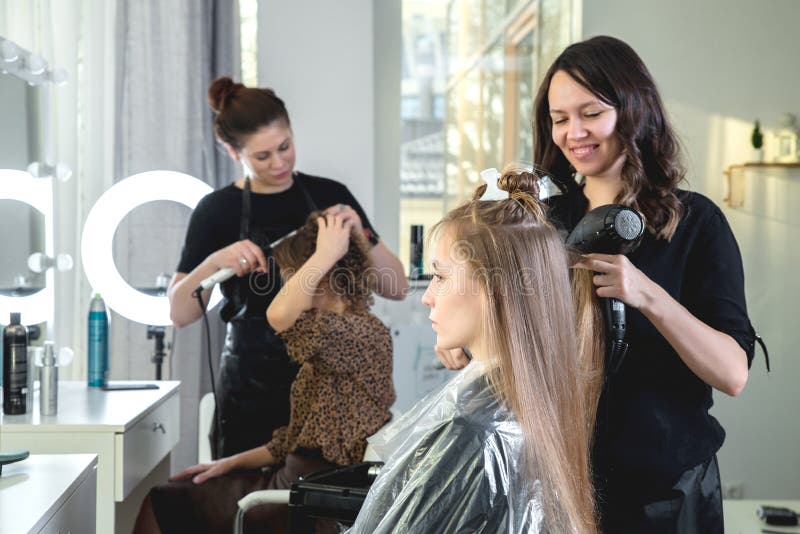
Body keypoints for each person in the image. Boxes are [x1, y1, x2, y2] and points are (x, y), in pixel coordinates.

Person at [532, 35, 757, 532]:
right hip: (560, 480)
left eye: (591, 113)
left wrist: (646, 294)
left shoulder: (696, 222)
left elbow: (733, 374)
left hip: (668, 493)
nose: (573, 132)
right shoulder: (540, 224)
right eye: (560, 117)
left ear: (632, 110)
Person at [347, 166, 602, 533]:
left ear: (494, 290)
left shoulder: (472, 430)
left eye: (440, 276)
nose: (428, 298)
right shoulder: (542, 397)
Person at [168, 77, 406, 458]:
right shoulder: (217, 211)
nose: (279, 163)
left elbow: (396, 286)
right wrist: (214, 261)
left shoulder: (330, 194)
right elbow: (180, 313)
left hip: (328, 385)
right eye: (263, 157)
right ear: (233, 152)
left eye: (285, 147)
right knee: (245, 505)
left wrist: (359, 230)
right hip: (250, 387)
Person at [134, 210, 396, 533]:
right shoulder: (340, 336)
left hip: (306, 499)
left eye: (292, 277)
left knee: (162, 502)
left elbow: (279, 314)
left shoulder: (358, 335)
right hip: (295, 483)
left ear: (321, 275)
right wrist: (225, 465)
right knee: (170, 498)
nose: (289, 287)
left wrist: (324, 254)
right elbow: (290, 442)